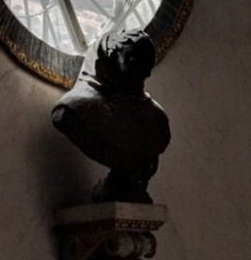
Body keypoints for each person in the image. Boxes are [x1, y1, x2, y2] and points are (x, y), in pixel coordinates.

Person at [51, 29, 170, 203]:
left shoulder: (157, 117)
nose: (145, 75)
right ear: (113, 59)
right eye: (136, 67)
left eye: (147, 68)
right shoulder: (73, 109)